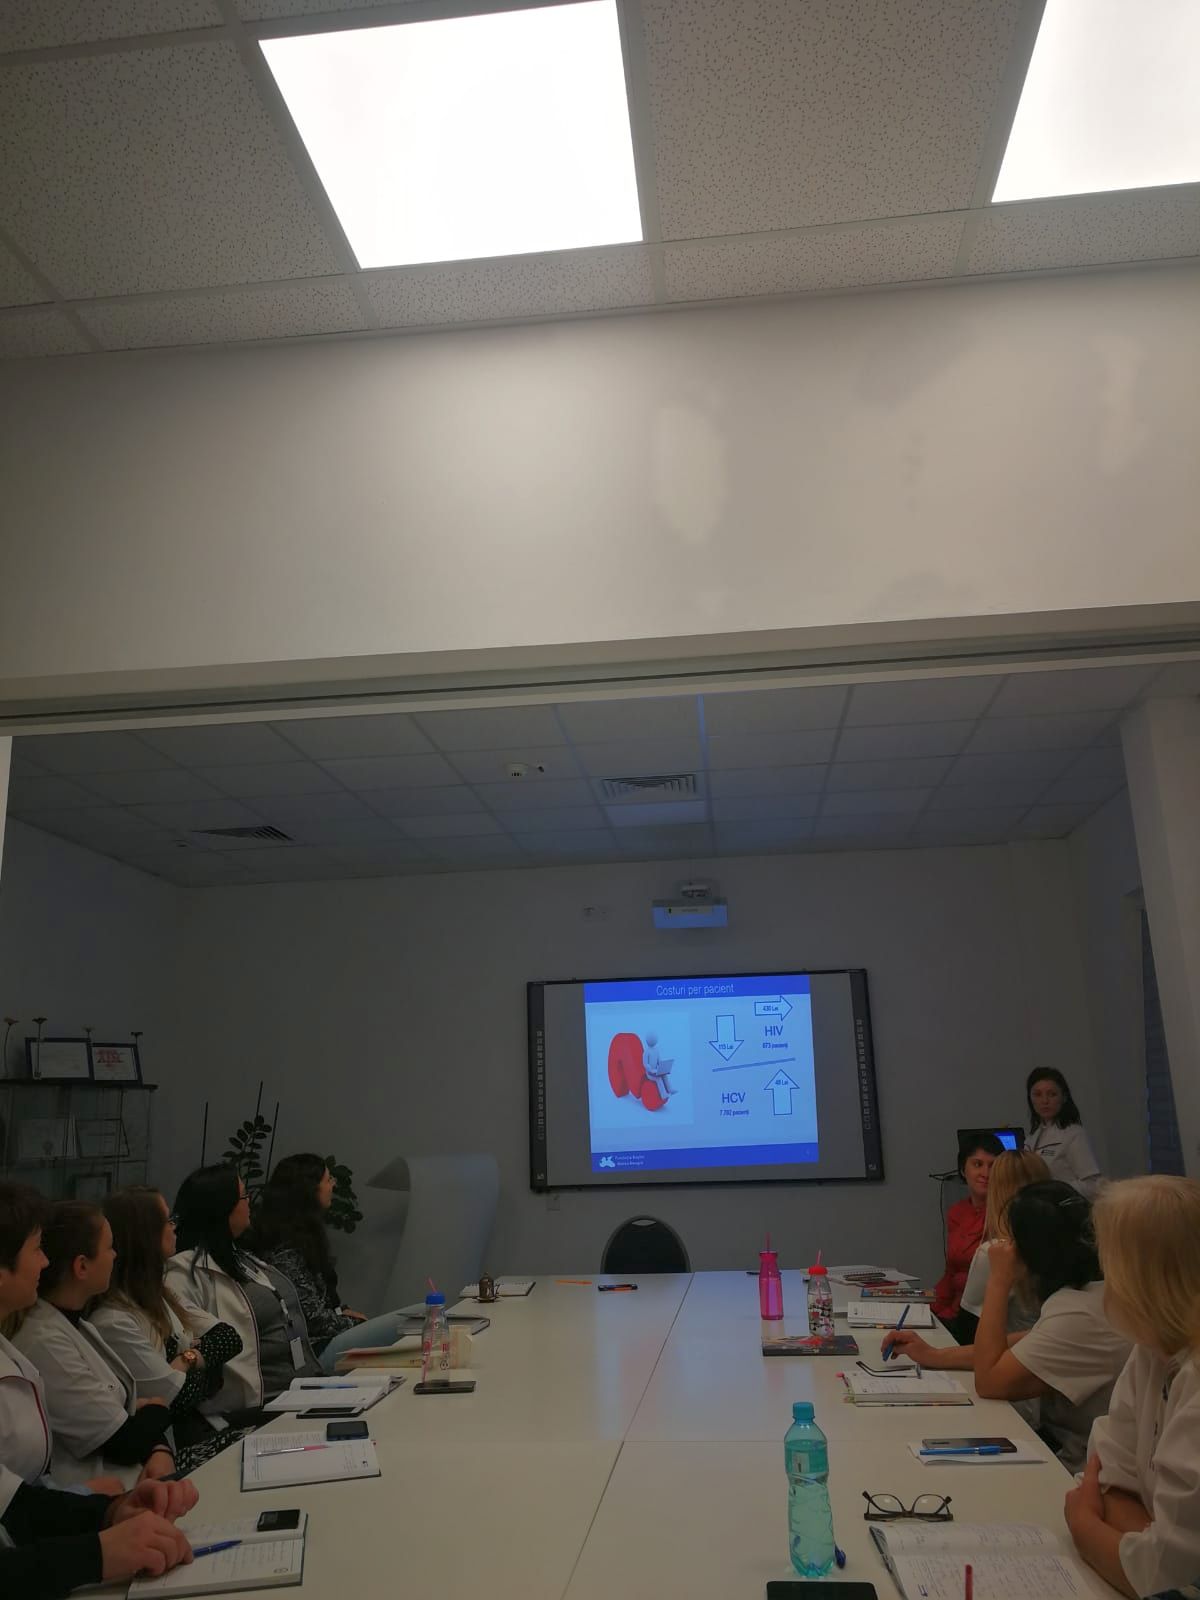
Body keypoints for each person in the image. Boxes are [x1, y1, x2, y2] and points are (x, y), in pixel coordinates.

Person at [0, 1180, 197, 1598]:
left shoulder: (17, 1348)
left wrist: (110, 1512)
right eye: (35, 1250)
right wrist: (100, 1551)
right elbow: (129, 1432)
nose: (44, 1262)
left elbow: (14, 1503)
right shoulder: (41, 1339)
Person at [886, 1180, 1131, 1471]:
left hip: (1079, 1467)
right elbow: (1027, 1341)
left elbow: (989, 1381)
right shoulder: (1093, 1295)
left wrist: (999, 1279)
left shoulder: (1080, 1312)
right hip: (1075, 1451)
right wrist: (935, 1356)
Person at [1065, 1176, 1200, 1599]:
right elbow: (1108, 1475)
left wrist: (1085, 1526)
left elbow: (1166, 1579)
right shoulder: (1153, 1348)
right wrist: (1144, 1542)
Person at [11, 1202, 176, 1487]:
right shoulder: (44, 1340)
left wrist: (159, 1445)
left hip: (131, 1479)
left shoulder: (75, 1323)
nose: (115, 1255)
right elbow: (124, 1440)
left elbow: (128, 1416)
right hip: (97, 1492)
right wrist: (158, 1408)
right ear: (82, 1266)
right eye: (109, 1247)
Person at [91, 1187, 246, 1472]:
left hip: (188, 1435)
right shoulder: (114, 1319)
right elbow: (179, 1398)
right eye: (167, 1220)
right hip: (163, 1454)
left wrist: (183, 1361)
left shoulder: (159, 1295)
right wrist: (200, 1361)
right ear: (146, 1236)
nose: (174, 1227)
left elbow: (229, 1339)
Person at [165, 1165, 321, 1412]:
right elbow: (191, 1345)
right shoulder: (185, 1273)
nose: (250, 1203)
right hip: (262, 1404)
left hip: (303, 1385)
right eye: (244, 1196)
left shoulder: (238, 1255)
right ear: (222, 1207)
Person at [250, 1154, 402, 1374]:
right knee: (414, 1320)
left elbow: (319, 1305)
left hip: (324, 1340)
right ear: (309, 1188)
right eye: (328, 1179)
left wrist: (342, 1313)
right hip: (314, 1350)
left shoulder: (302, 1236)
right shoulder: (285, 1249)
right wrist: (353, 1323)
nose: (333, 1185)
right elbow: (311, 1318)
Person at [958, 1148, 1051, 1337]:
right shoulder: (1064, 1245)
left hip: (1010, 1352)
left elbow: (967, 1332)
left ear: (996, 1190)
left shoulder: (995, 1253)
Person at [932, 1132, 1003, 1332]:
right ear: (963, 1169)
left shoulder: (1004, 1215)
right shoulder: (957, 1212)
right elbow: (951, 1272)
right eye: (977, 1164)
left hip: (980, 1318)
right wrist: (929, 1310)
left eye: (993, 1166)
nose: (986, 1173)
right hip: (953, 1310)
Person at [1025, 1067, 1102, 1198]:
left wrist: (1051, 1190)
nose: (1045, 1101)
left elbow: (1093, 1186)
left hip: (1065, 1208)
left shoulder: (1073, 1134)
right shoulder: (1031, 1138)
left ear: (1064, 1097)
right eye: (1037, 1095)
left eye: (1052, 1094)